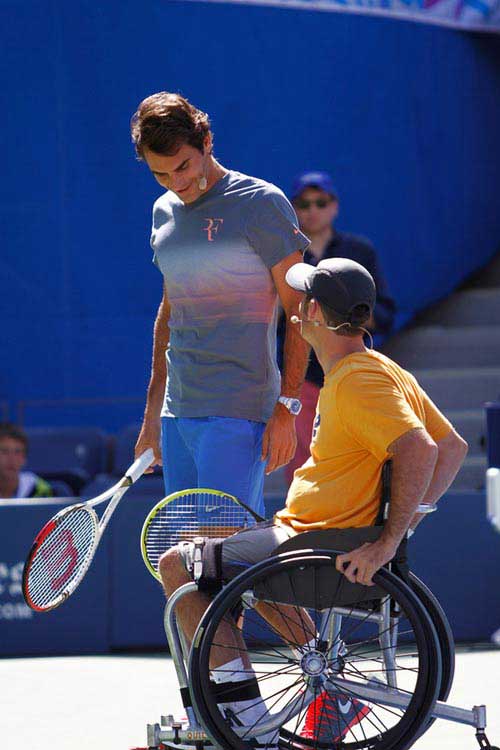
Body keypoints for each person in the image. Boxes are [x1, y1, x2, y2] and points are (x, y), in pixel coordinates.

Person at [159, 257, 468, 745]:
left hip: (318, 552)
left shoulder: (357, 380)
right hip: (311, 539)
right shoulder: (381, 368)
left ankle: (245, 721)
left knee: (178, 563)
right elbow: (454, 447)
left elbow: (424, 448)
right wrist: (401, 529)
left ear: (316, 315)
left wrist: (387, 542)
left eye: (303, 301)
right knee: (220, 548)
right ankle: (319, 691)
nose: (296, 309)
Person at [130, 92, 310, 518]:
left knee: (223, 555)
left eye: (183, 167)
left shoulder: (261, 203)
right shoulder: (163, 212)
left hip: (238, 409)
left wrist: (288, 407)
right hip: (177, 413)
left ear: (206, 140)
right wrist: (153, 414)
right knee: (188, 559)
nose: (177, 183)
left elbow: (301, 310)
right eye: (160, 174)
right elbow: (169, 313)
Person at [280, 170, 397, 483]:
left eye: (321, 202)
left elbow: (384, 313)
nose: (313, 210)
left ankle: (354, 529)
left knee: (360, 461)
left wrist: (339, 311)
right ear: (293, 209)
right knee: (304, 468)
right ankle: (305, 527)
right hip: (300, 377)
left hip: (352, 371)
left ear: (334, 206)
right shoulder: (281, 257)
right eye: (304, 204)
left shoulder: (360, 252)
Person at [0, 423, 54, 499]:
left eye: (17, 452)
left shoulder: (39, 489)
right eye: (4, 451)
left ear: (24, 458)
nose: (11, 459)